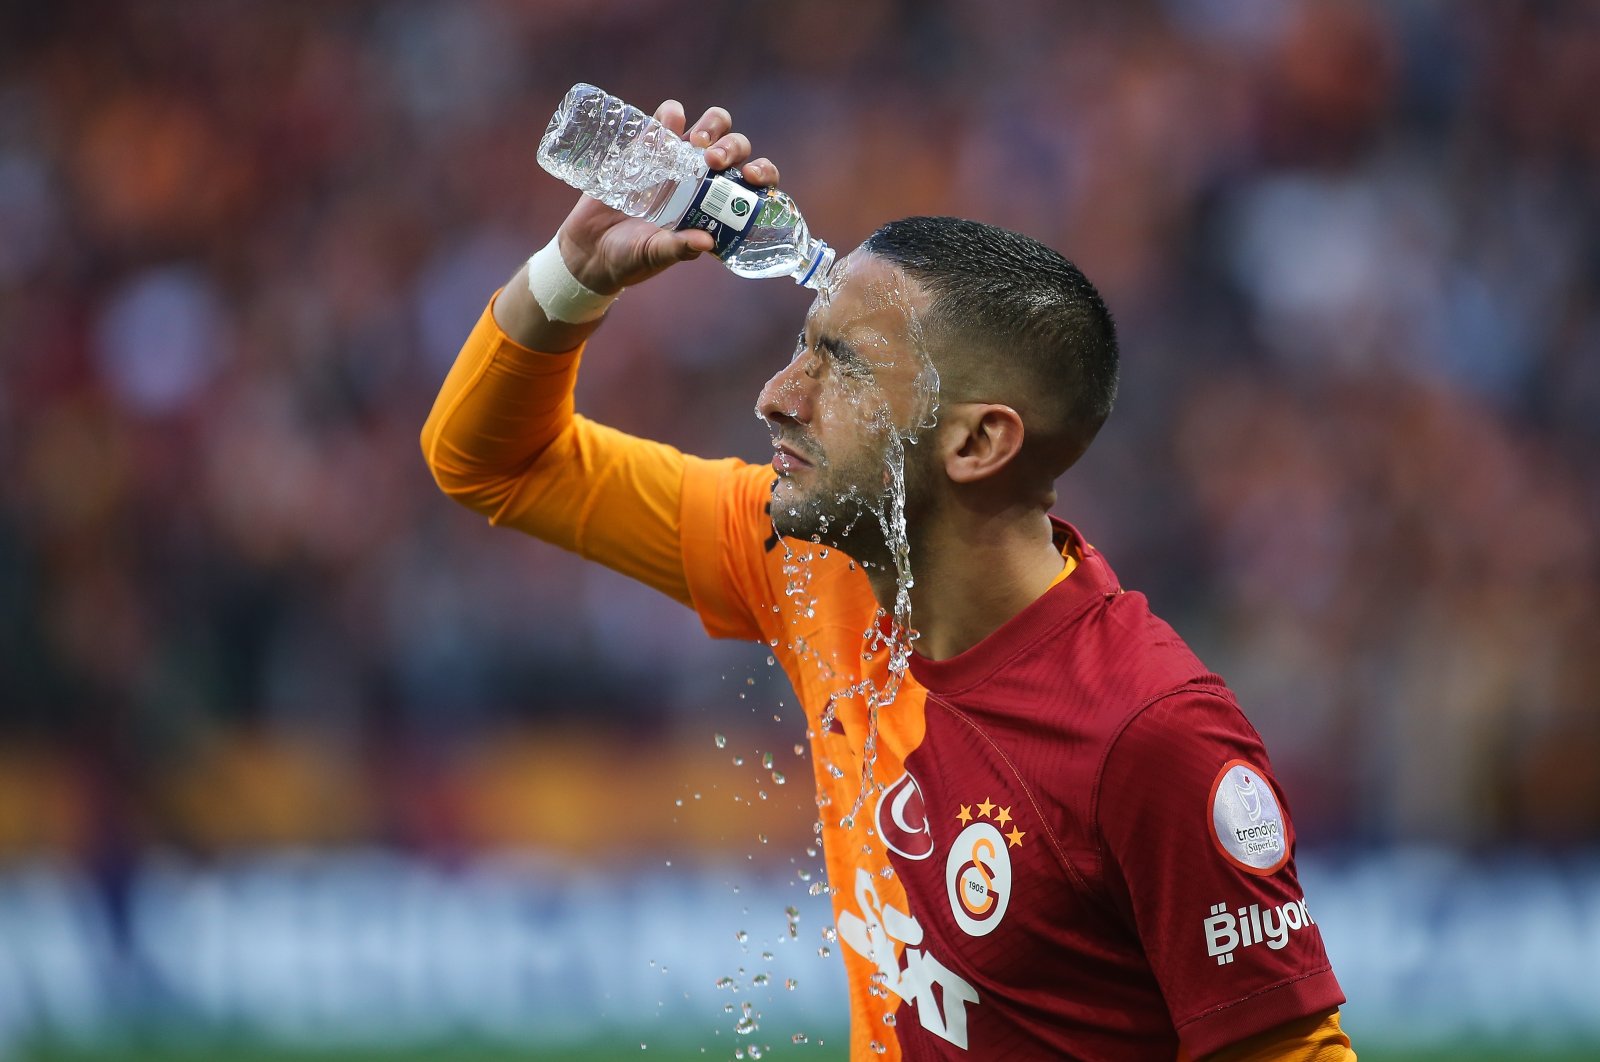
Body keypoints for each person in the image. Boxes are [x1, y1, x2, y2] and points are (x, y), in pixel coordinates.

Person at [422, 99, 1356, 1061]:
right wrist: (571, 276)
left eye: (842, 366)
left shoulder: (1146, 734)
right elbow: (494, 463)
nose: (777, 397)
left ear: (978, 440)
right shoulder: (818, 572)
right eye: (801, 348)